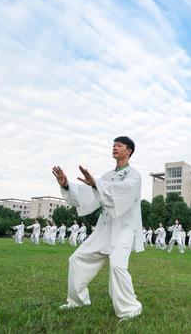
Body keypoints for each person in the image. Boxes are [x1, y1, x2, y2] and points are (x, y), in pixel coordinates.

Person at [52, 136, 143, 320]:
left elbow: (122, 193)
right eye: (113, 145)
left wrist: (96, 185)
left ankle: (130, 309)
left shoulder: (134, 176)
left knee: (117, 266)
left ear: (129, 151)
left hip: (124, 229)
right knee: (76, 259)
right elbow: (88, 194)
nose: (115, 148)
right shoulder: (107, 176)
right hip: (104, 228)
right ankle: (77, 301)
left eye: (119, 145)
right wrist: (67, 185)